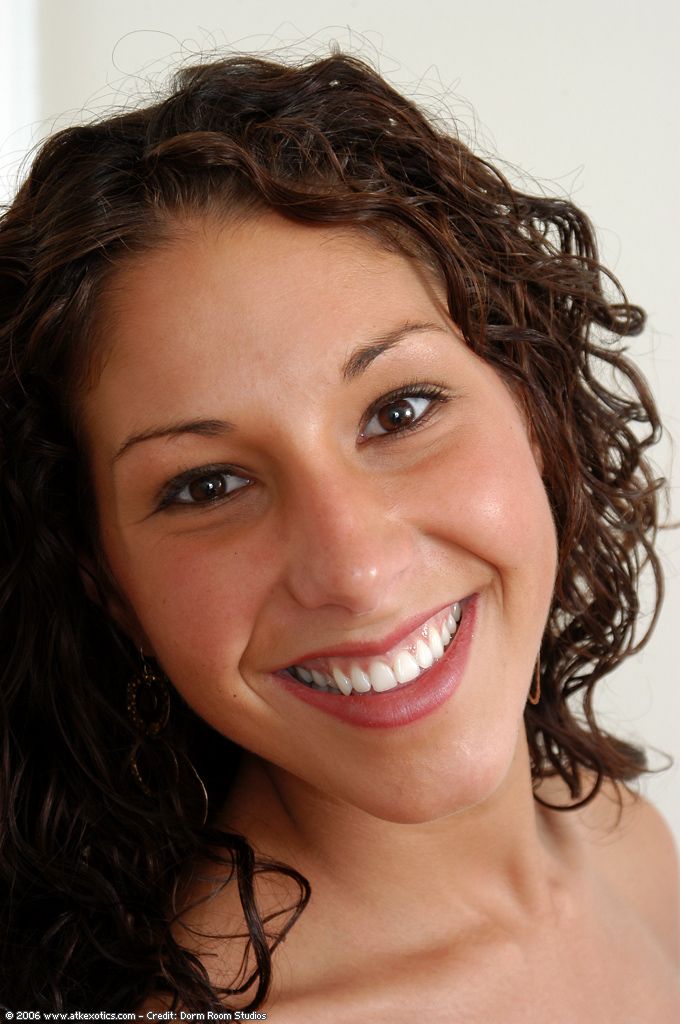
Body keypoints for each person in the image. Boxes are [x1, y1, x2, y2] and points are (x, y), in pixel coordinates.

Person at [0, 51, 678, 1019]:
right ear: (106, 580)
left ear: (532, 407)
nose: (355, 569)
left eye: (400, 411)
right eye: (208, 485)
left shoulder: (628, 843)